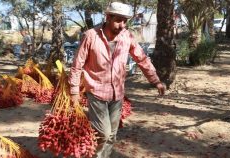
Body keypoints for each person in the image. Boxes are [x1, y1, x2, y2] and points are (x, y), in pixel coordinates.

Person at [68, 2, 166, 158]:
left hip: (117, 94)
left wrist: (156, 81)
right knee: (104, 133)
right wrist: (74, 92)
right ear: (107, 17)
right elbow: (76, 65)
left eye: (125, 21)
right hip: (96, 93)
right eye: (118, 20)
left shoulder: (126, 37)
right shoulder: (91, 36)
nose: (122, 25)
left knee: (112, 134)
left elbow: (141, 58)